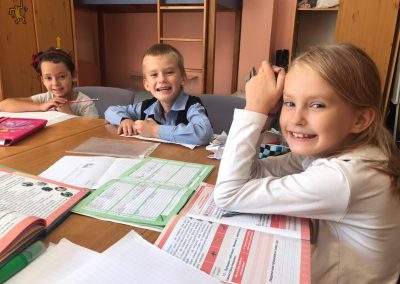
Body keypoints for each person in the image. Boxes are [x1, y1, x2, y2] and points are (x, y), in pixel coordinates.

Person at [213, 43, 400, 283]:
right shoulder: (335, 150)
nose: (296, 119)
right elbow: (255, 173)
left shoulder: (344, 177)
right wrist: (267, 115)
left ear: (360, 119)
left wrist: (254, 109)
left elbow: (228, 194)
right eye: (289, 103)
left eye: (317, 105)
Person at [104, 43, 213, 145]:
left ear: (183, 79)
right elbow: (110, 111)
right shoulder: (146, 107)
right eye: (154, 74)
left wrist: (155, 130)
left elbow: (204, 134)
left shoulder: (193, 106)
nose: (161, 79)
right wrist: (124, 120)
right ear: (146, 85)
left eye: (169, 72)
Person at [0, 47, 99, 118]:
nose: (55, 83)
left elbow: (94, 134)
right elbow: (3, 105)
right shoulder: (47, 98)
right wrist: (40, 106)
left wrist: (68, 113)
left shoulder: (86, 104)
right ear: (42, 80)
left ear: (73, 76)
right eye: (48, 78)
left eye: (62, 76)